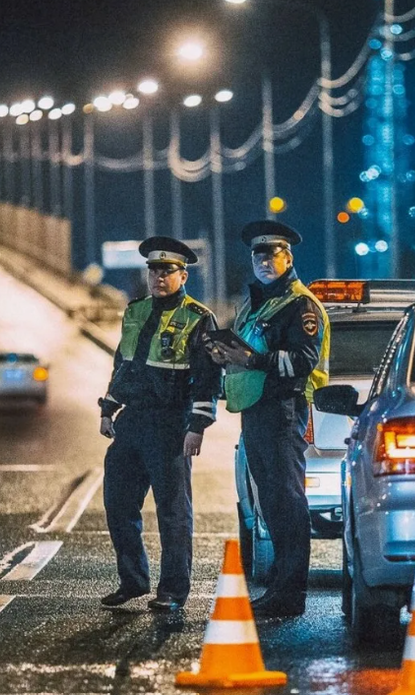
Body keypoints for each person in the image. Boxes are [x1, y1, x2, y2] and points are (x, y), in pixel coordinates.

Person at [207, 220, 329, 617]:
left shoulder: (300, 305)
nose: (263, 262)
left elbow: (303, 361)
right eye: (258, 256)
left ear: (287, 259)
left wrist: (252, 359)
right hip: (256, 412)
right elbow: (246, 352)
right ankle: (279, 584)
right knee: (271, 504)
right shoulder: (256, 303)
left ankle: (291, 593)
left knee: (288, 503)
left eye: (272, 255)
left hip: (282, 409)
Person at [97, 236, 220, 613]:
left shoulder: (198, 317)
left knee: (173, 513)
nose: (158, 277)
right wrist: (109, 407)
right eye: (153, 271)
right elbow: (124, 364)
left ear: (183, 276)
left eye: (167, 271)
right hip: (132, 420)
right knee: (118, 503)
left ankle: (172, 591)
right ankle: (132, 581)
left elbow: (208, 376)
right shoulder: (134, 311)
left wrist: (198, 424)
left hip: (171, 424)